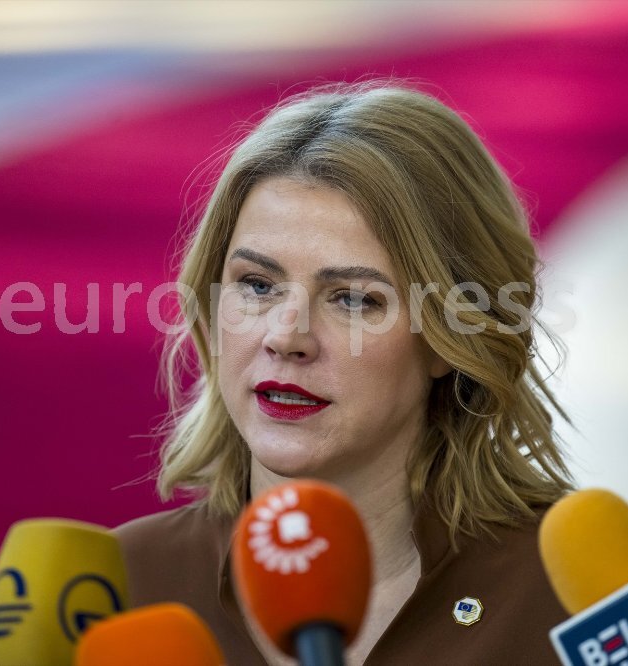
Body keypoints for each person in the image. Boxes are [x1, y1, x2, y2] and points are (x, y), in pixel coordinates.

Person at [114, 80, 581, 664]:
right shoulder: (113, 589)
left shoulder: (583, 596)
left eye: (355, 299)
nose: (286, 336)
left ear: (449, 337)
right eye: (257, 285)